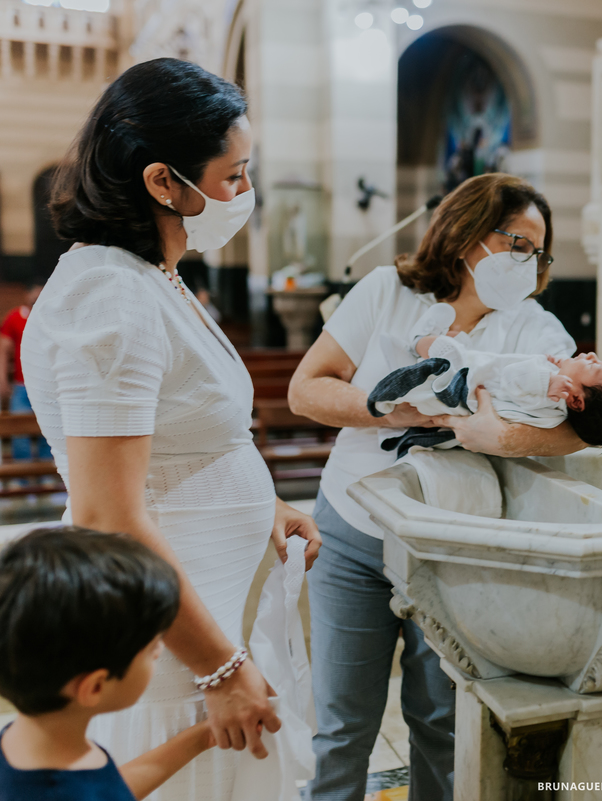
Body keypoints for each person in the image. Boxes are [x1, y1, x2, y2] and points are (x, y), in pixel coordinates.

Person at [23, 58, 321, 800]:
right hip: (177, 642)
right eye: (233, 175)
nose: (244, 193)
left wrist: (264, 509)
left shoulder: (149, 276)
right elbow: (109, 515)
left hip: (213, 605)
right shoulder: (108, 296)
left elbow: (181, 443)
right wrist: (220, 669)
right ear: (163, 181)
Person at [289, 173, 585, 801]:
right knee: (342, 726)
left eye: (539, 252)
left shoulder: (536, 330)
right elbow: (306, 387)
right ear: (470, 233)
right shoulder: (387, 291)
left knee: (441, 723)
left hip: (452, 545)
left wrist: (492, 434)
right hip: (353, 531)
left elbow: (578, 430)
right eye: (517, 244)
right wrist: (390, 411)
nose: (528, 263)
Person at [0, 527, 214, 800]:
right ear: (95, 687)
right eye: (151, 648)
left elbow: (107, 788)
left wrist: (203, 737)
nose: (160, 650)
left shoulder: (28, 747)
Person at [366, 307, 602, 456]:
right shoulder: (556, 401)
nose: (591, 355)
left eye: (595, 367)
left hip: (463, 385)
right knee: (451, 351)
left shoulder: (550, 389)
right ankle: (417, 348)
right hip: (469, 388)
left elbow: (512, 378)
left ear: (576, 401)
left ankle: (415, 343)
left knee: (443, 356)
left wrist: (546, 380)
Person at [0, 283, 50, 474]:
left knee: (48, 431)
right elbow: (4, 350)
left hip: (45, 385)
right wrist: (3, 379)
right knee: (19, 432)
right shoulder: (15, 317)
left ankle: (47, 476)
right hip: (21, 386)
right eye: (34, 292)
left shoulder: (49, 318)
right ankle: (22, 479)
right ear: (27, 294)